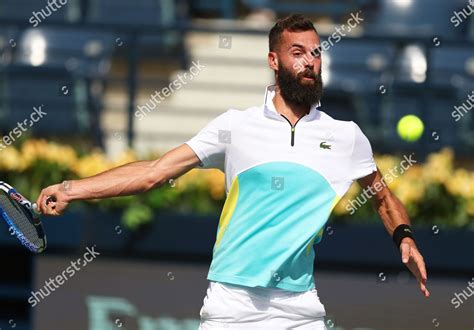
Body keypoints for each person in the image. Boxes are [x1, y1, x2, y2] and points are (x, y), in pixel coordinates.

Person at [37, 14, 430, 330]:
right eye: (297, 52)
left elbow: (381, 196)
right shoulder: (234, 126)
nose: (310, 62)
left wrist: (404, 236)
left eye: (316, 52)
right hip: (230, 307)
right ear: (273, 61)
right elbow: (155, 172)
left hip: (300, 308)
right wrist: (73, 189)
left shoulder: (346, 136)